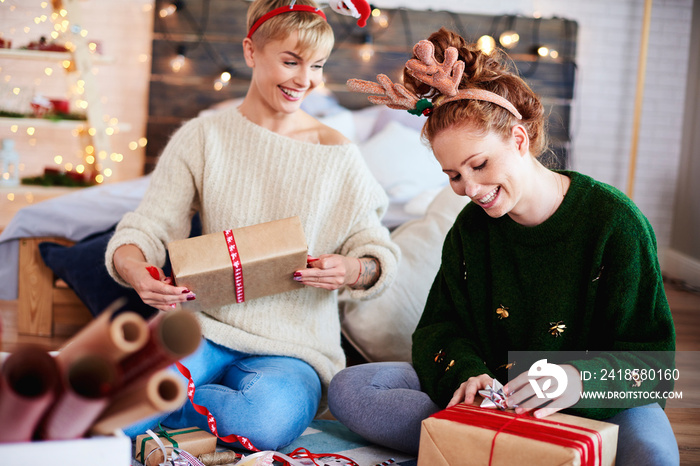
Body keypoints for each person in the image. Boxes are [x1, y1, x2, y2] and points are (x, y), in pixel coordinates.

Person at [328, 27, 678, 465]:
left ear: (518, 139)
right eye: (453, 175)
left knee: (654, 457)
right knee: (351, 389)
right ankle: (508, 447)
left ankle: (481, 449)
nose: (469, 188)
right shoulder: (470, 229)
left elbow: (655, 366)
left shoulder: (615, 223)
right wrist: (469, 373)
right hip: (495, 396)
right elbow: (439, 329)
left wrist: (574, 380)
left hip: (588, 405)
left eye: (478, 164)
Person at [105, 0, 399, 451]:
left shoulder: (338, 155)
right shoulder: (203, 138)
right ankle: (161, 404)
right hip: (202, 328)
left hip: (293, 352)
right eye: (290, 61)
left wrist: (354, 269)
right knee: (111, 405)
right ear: (250, 51)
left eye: (316, 65)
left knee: (264, 421)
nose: (305, 79)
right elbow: (148, 227)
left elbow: (376, 251)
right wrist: (136, 270)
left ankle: (167, 406)